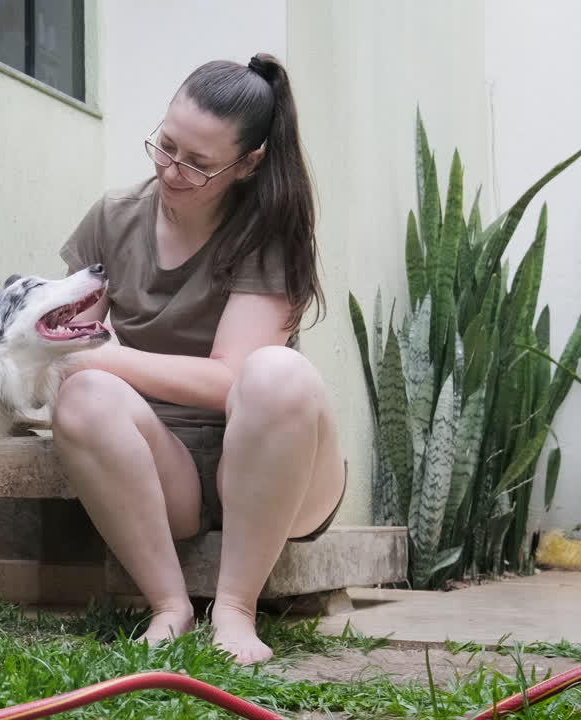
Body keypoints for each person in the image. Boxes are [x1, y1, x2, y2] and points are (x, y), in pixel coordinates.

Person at [53, 53, 347, 665]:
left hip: (275, 460)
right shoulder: (114, 216)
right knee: (81, 395)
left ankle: (236, 609)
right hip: (168, 466)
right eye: (165, 146)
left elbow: (228, 381)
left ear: (249, 163)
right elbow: (68, 342)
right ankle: (170, 606)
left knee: (276, 373)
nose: (172, 169)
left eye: (198, 163)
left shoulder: (269, 231)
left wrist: (105, 356)